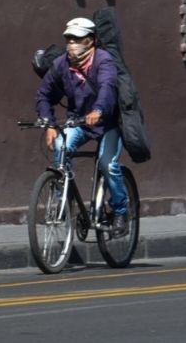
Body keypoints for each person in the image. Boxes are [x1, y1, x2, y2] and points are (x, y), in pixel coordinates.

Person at [35, 17, 129, 235]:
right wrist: (48, 123)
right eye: (68, 39)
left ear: (91, 41)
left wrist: (98, 110)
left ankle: (120, 211)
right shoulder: (61, 64)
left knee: (108, 165)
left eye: (77, 39)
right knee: (61, 146)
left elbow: (107, 87)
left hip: (108, 124)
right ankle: (64, 203)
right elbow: (43, 94)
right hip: (79, 122)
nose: (71, 43)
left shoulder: (103, 61)